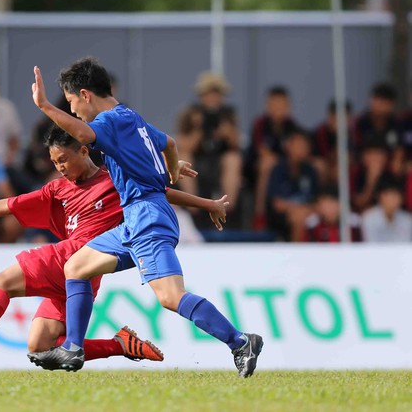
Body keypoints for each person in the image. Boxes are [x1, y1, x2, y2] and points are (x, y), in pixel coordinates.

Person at [0, 125, 228, 373]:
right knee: (40, 347)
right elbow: (10, 205)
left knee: (1, 282)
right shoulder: (57, 188)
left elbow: (163, 192)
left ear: (83, 150)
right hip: (78, 272)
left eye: (64, 160)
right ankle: (120, 345)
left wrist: (208, 204)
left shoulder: (115, 180)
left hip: (78, 258)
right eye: (54, 162)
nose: (60, 168)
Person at [26, 58, 262, 378]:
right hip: (136, 219)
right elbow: (171, 143)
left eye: (70, 104)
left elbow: (82, 134)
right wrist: (173, 167)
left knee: (170, 297)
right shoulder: (132, 119)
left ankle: (240, 342)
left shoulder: (109, 121)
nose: (73, 112)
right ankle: (73, 347)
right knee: (76, 267)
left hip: (147, 218)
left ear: (85, 94)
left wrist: (43, 106)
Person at [176, 72, 242, 226]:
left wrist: (226, 132)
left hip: (219, 161)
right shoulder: (191, 113)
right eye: (208, 94)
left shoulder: (227, 113)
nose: (212, 98)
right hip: (196, 162)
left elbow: (235, 143)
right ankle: (193, 211)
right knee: (184, 157)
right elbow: (183, 145)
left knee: (233, 159)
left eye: (216, 94)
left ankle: (228, 210)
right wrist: (199, 128)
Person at [246, 86, 300, 230]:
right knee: (267, 163)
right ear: (267, 105)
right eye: (274, 105)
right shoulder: (260, 124)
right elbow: (263, 152)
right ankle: (260, 214)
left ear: (288, 106)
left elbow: (297, 151)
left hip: (285, 168)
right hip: (255, 170)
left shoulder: (292, 126)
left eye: (281, 105)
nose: (277, 109)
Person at [266, 130, 319, 242]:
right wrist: (297, 209)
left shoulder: (311, 171)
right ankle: (298, 254)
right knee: (298, 217)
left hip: (307, 212)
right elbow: (277, 204)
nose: (301, 150)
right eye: (298, 145)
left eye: (304, 146)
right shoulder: (278, 169)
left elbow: (316, 201)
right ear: (288, 146)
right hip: (282, 218)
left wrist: (306, 210)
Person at [361, 177, 412, 242]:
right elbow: (370, 245)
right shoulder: (369, 218)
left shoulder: (407, 220)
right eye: (390, 195)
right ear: (380, 196)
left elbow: (406, 245)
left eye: (397, 196)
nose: (393, 200)